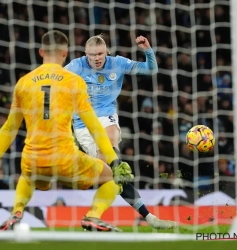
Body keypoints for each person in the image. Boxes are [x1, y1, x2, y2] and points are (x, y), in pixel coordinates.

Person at [0, 30, 133, 232]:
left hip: (34, 160)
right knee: (111, 179)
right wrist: (114, 161)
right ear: (65, 53)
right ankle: (93, 217)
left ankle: (16, 213)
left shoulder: (23, 83)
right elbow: (94, 127)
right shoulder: (73, 80)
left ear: (41, 52)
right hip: (66, 159)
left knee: (27, 177)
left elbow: (9, 129)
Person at [64, 34, 177, 229]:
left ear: (106, 51)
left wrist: (147, 50)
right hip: (83, 123)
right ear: (85, 54)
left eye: (100, 53)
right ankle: (149, 219)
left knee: (110, 150)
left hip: (106, 116)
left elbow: (152, 69)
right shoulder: (76, 66)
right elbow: (55, 80)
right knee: (113, 176)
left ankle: (113, 170)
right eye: (92, 55)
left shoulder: (118, 63)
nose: (97, 58)